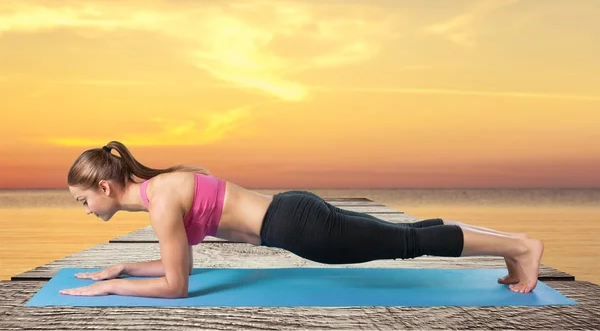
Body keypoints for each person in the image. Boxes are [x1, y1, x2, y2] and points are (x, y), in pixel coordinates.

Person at [61, 141, 544, 298]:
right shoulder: (160, 192)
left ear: (104, 188)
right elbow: (175, 264)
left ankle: (522, 246)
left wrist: (110, 288)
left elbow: (178, 285)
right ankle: (511, 245)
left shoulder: (161, 202)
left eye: (83, 201)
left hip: (298, 227)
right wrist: (125, 268)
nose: (85, 211)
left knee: (405, 242)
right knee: (407, 235)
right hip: (293, 212)